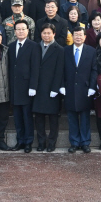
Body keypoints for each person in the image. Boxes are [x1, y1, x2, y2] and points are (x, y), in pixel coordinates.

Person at [63, 26, 98, 153]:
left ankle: (85, 142)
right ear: (72, 36)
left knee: (85, 117)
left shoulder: (91, 51)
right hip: (70, 88)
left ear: (85, 37)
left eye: (80, 35)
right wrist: (62, 85)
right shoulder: (65, 50)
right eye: (76, 35)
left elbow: (94, 70)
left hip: (85, 88)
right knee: (72, 117)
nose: (78, 37)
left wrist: (92, 87)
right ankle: (74, 142)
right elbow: (61, 69)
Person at [8, 19, 41, 153]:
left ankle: (28, 142)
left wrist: (33, 86)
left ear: (28, 31)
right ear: (14, 32)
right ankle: (20, 141)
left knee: (27, 117)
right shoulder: (10, 46)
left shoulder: (33, 46)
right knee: (17, 117)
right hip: (14, 87)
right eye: (18, 29)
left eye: (23, 29)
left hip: (27, 87)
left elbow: (35, 68)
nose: (21, 31)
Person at [32, 24, 64, 152]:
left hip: (52, 88)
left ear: (54, 34)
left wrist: (55, 89)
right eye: (44, 33)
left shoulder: (59, 49)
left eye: (49, 33)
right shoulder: (36, 47)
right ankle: (41, 142)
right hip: (38, 87)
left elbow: (60, 71)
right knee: (39, 117)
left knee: (53, 118)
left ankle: (51, 142)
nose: (46, 35)